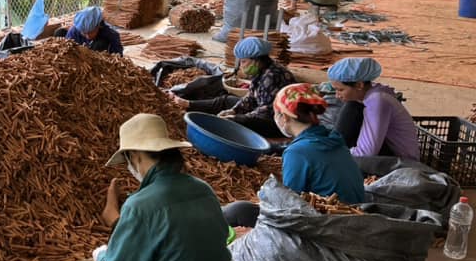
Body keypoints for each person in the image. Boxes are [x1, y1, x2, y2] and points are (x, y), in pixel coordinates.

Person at [40, 114, 230, 261]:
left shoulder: (139, 205)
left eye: (129, 159)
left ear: (137, 155)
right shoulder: (204, 189)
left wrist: (102, 256)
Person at [223, 83, 366, 227]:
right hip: (357, 214)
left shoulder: (298, 152)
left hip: (328, 224)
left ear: (284, 117)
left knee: (238, 210)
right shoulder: (333, 138)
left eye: (276, 114)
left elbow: (288, 203)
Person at [172, 37, 295, 139]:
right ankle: (188, 104)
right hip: (262, 111)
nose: (241, 66)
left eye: (244, 62)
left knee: (232, 123)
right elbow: (250, 98)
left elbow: (266, 112)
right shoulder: (262, 70)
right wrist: (234, 110)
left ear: (256, 60)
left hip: (278, 123)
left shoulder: (272, 76)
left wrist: (238, 118)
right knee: (226, 101)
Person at [328, 57, 420, 160]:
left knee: (352, 107)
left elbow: (367, 153)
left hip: (401, 162)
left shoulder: (378, 101)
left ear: (359, 85)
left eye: (340, 90)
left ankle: (331, 152)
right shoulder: (373, 94)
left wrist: (334, 157)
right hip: (389, 153)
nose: (337, 95)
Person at [58, 6, 123, 55]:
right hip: (79, 59)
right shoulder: (74, 31)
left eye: (91, 32)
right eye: (84, 33)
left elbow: (118, 55)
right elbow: (66, 48)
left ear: (98, 26)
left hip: (98, 60)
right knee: (59, 33)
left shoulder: (110, 34)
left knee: (99, 45)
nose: (87, 36)